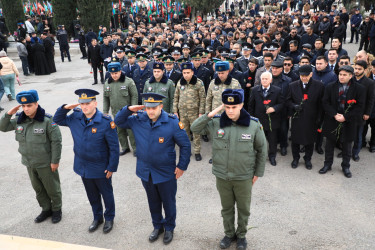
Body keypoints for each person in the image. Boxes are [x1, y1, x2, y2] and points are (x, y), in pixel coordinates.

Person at [191, 89, 267, 250]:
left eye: (234, 107)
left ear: (241, 105)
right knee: (226, 208)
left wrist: (257, 174)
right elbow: (195, 128)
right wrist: (212, 113)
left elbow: (262, 149)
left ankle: (241, 236)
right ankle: (228, 233)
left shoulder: (253, 125)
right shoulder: (216, 122)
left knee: (243, 209)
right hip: (222, 175)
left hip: (244, 176)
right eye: (227, 107)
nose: (230, 111)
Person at [114, 93, 191, 244]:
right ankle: (157, 226)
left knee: (168, 202)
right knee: (153, 202)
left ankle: (169, 227)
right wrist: (128, 109)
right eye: (148, 108)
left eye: (154, 108)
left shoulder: (172, 123)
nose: (150, 111)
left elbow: (185, 145)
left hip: (166, 172)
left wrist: (182, 166)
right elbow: (118, 121)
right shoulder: (138, 120)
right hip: (146, 171)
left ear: (161, 107)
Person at [53, 89, 119, 233]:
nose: (84, 107)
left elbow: (114, 147)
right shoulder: (75, 118)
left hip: (101, 167)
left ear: (95, 103)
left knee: (107, 194)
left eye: (88, 103)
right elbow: (57, 119)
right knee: (92, 195)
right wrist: (66, 107)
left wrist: (112, 167)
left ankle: (109, 218)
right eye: (81, 104)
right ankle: (97, 217)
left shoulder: (106, 122)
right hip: (83, 166)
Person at [0, 90, 62, 223]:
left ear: (36, 104)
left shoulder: (47, 120)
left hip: (46, 163)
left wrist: (55, 161)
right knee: (38, 189)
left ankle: (56, 209)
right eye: (23, 106)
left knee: (52, 188)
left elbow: (56, 142)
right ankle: (46, 209)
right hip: (29, 162)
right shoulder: (19, 119)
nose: (26, 109)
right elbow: (2, 127)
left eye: (29, 105)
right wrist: (8, 114)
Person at [320, 66, 365, 178]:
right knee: (329, 145)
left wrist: (345, 117)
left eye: (345, 75)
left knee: (347, 146)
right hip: (332, 119)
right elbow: (325, 103)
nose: (342, 77)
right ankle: (327, 164)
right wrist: (335, 114)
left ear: (351, 76)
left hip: (348, 121)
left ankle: (346, 166)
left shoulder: (359, 88)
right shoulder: (330, 87)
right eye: (340, 74)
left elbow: (359, 107)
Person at [287, 65, 324, 170]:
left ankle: (308, 159)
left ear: (311, 74)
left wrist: (319, 118)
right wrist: (294, 106)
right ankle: (295, 158)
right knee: (295, 140)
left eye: (306, 76)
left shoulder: (319, 86)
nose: (304, 78)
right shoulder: (292, 85)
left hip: (312, 118)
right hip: (297, 118)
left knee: (310, 141)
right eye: (302, 75)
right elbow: (288, 100)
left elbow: (321, 104)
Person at [249, 72, 284, 166]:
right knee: (259, 140)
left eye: (266, 79)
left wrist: (274, 108)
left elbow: (281, 104)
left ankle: (272, 156)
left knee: (272, 140)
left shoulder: (277, 90)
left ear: (271, 80)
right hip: (259, 120)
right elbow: (251, 105)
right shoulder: (255, 90)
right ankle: (259, 157)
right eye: (263, 79)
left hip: (272, 120)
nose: (264, 80)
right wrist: (252, 119)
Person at [103, 62, 138, 156]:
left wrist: (134, 110)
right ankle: (125, 147)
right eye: (112, 73)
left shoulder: (128, 81)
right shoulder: (107, 83)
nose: (114, 75)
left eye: (116, 73)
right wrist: (105, 111)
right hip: (115, 112)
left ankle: (135, 149)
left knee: (131, 131)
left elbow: (134, 96)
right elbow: (105, 98)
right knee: (119, 130)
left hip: (128, 112)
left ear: (120, 72)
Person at [173, 62, 206, 161]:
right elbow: (176, 98)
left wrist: (201, 113)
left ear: (192, 72)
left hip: (194, 113)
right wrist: (175, 111)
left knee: (196, 133)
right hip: (183, 113)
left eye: (188, 72)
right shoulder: (180, 83)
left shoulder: (198, 83)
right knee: (184, 133)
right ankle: (187, 151)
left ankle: (197, 151)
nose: (185, 75)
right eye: (184, 72)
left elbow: (203, 99)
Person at [351, 60, 375, 161]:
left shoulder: (370, 83)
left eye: (359, 69)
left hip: (361, 113)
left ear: (365, 70)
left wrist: (367, 113)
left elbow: (371, 99)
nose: (356, 71)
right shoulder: (350, 79)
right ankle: (345, 150)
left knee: (358, 135)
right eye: (355, 68)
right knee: (348, 133)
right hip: (349, 111)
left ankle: (355, 152)